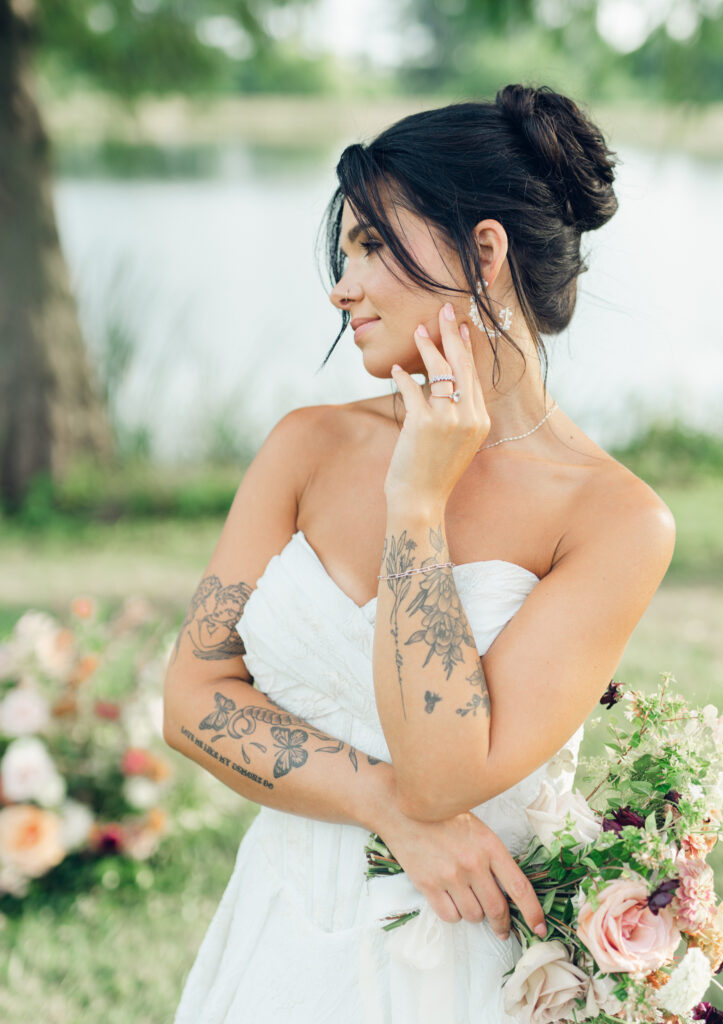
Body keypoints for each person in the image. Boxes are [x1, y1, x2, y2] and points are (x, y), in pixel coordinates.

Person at [165, 83, 676, 1023]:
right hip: (279, 934)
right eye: (345, 248)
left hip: (458, 964)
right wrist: (388, 811)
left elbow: (447, 772)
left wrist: (417, 501)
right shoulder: (305, 447)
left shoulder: (614, 521)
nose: (340, 284)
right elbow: (193, 700)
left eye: (371, 244)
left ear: (485, 250)